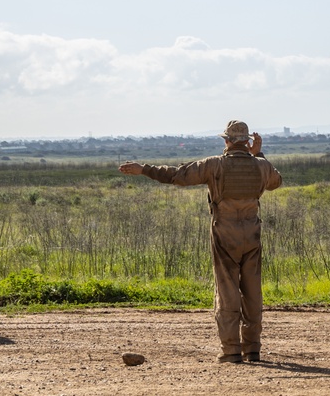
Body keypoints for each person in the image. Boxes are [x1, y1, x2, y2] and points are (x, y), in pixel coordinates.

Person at [118, 120, 282, 363]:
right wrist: (259, 155)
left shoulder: (214, 165)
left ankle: (231, 350)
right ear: (247, 142)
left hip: (224, 233)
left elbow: (177, 175)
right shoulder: (261, 165)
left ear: (226, 141)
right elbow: (275, 182)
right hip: (252, 234)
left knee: (227, 292)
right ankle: (253, 349)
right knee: (252, 291)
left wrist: (144, 169)